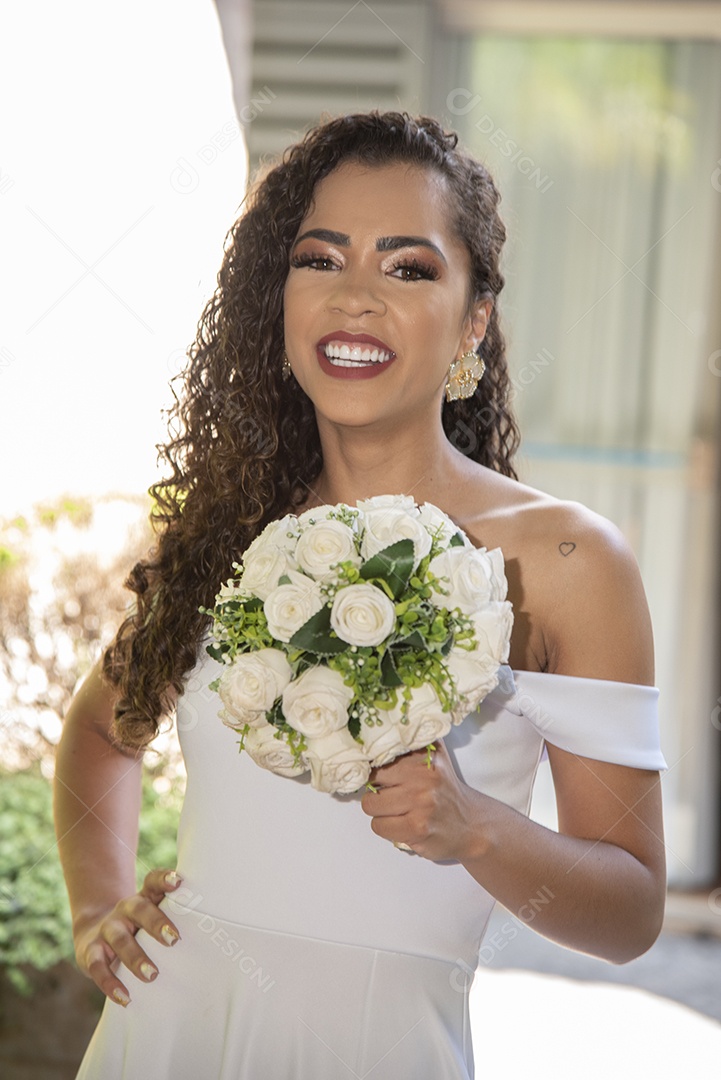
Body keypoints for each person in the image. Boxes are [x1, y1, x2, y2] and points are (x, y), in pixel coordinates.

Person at [55, 111, 667, 1079]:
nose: (354, 299)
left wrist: (477, 830)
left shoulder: (562, 559)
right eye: (319, 259)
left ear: (474, 319)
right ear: (279, 300)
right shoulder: (225, 533)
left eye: (407, 267)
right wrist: (98, 909)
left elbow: (631, 914)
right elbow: (100, 733)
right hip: (168, 1040)